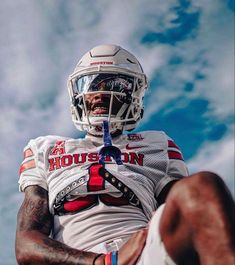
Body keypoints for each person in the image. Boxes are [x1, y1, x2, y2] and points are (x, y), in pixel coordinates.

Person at [15, 44, 235, 265]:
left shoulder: (157, 145)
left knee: (201, 186)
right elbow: (26, 244)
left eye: (113, 84)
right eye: (91, 85)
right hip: (77, 259)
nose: (100, 94)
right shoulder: (45, 149)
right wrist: (102, 262)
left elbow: (184, 220)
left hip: (142, 254)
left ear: (133, 95)